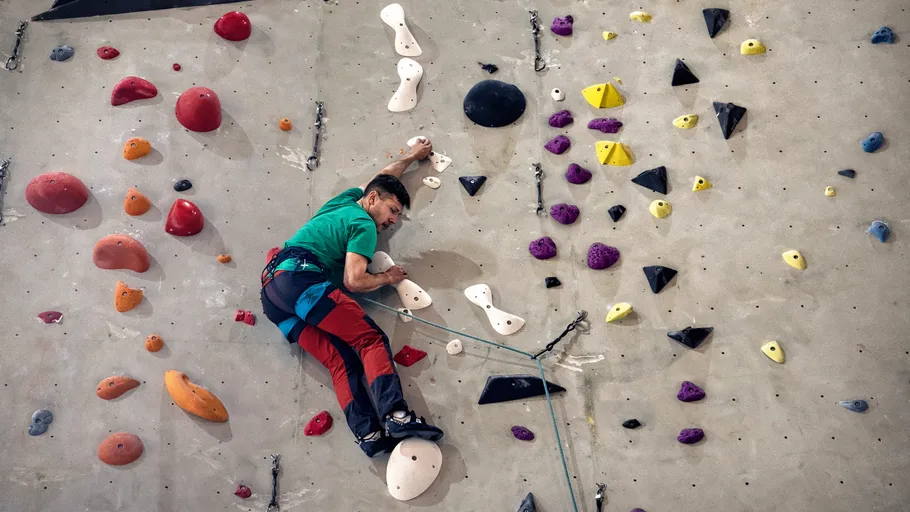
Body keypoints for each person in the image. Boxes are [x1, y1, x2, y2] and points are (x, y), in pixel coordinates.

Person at [260, 137, 443, 457]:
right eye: (392, 211)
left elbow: (386, 175)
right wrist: (389, 277)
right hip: (301, 280)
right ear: (373, 199)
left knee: (339, 359)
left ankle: (369, 435)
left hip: (273, 294)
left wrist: (414, 156)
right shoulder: (363, 223)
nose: (392, 221)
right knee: (370, 340)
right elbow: (354, 281)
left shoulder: (344, 202)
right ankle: (396, 416)